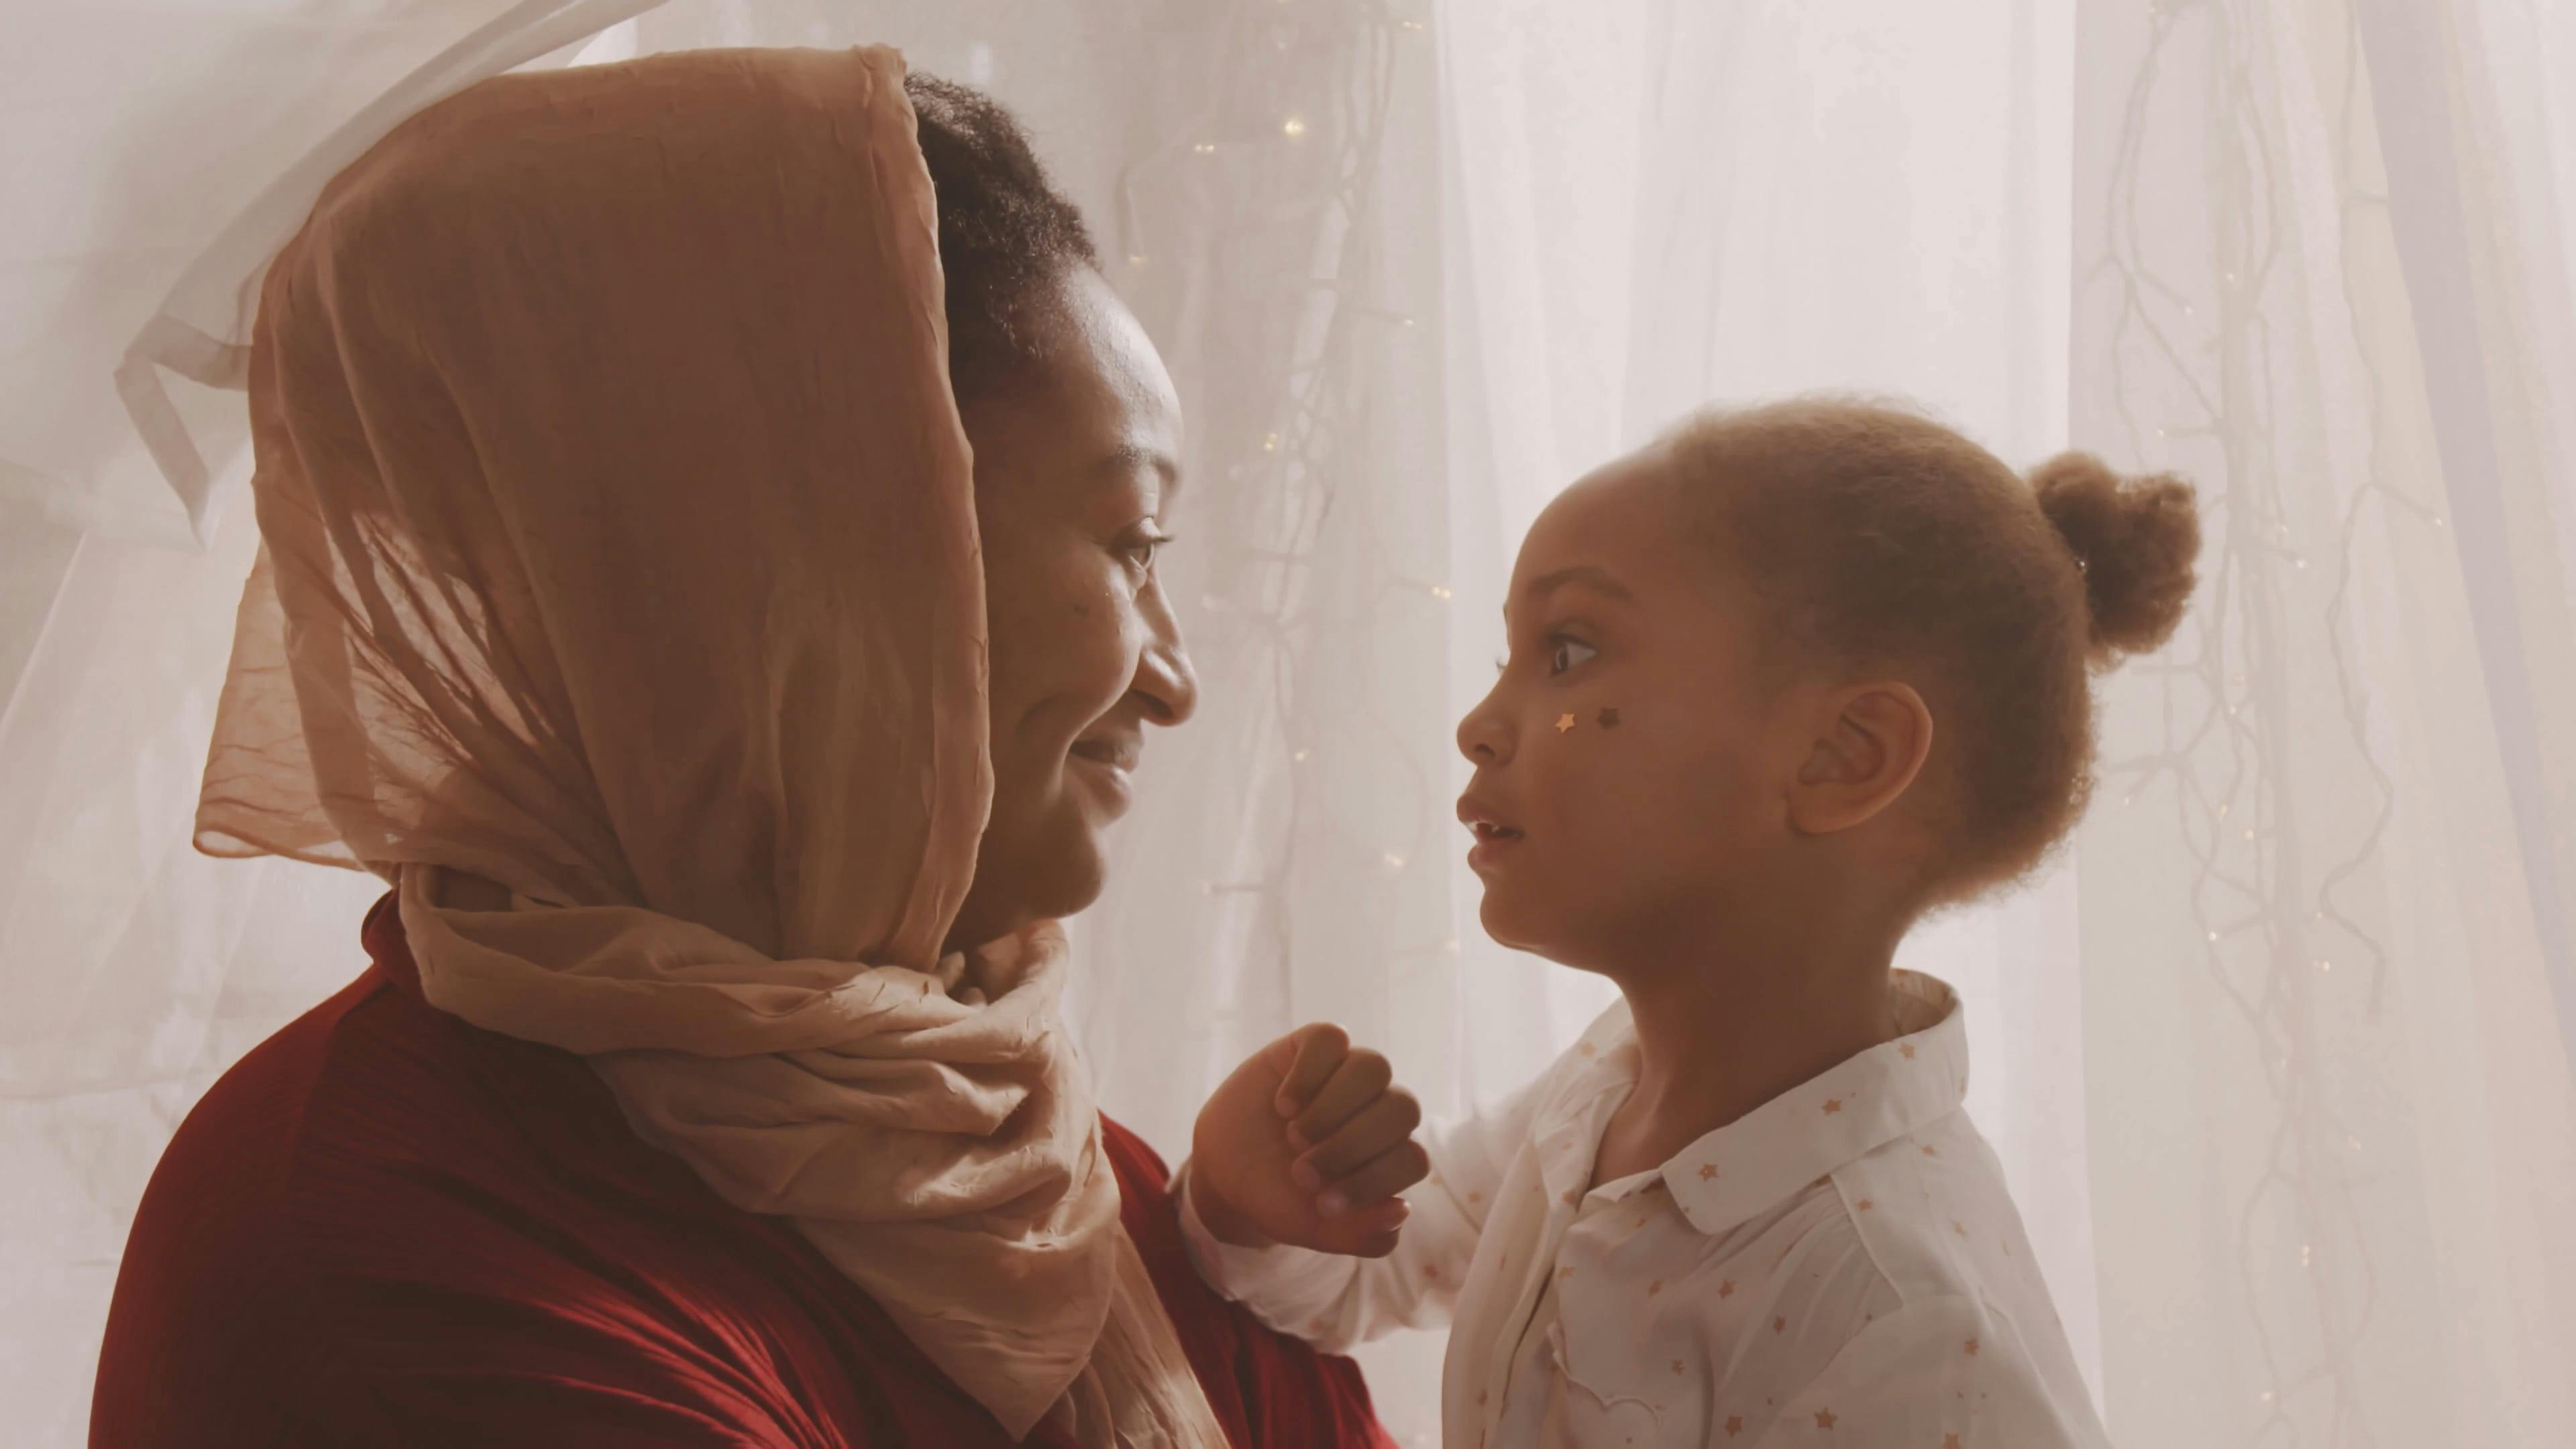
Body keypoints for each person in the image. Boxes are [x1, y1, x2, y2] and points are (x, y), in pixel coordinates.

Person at [90, 47, 1394, 1448]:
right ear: (810, 567)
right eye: (1128, 544)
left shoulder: (1037, 1167)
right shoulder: (407, 1249)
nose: (1176, 681)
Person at [1181, 398, 2201, 1446]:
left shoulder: (1903, 1325)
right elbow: (1371, 1269)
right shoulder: (1595, 1099)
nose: (1481, 727)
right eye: (1508, 661)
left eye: (1568, 656)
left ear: (1842, 757)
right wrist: (1246, 1197)